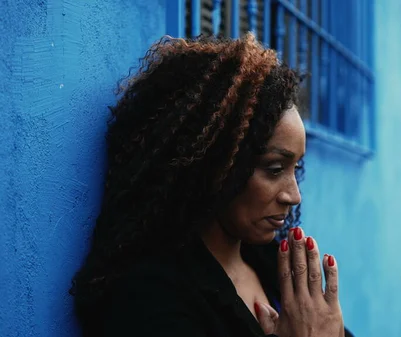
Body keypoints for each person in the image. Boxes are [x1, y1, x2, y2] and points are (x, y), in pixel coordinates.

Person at [70, 33, 351, 337]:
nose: (294, 195)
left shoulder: (273, 263)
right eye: (274, 168)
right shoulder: (148, 296)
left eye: (296, 168)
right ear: (216, 164)